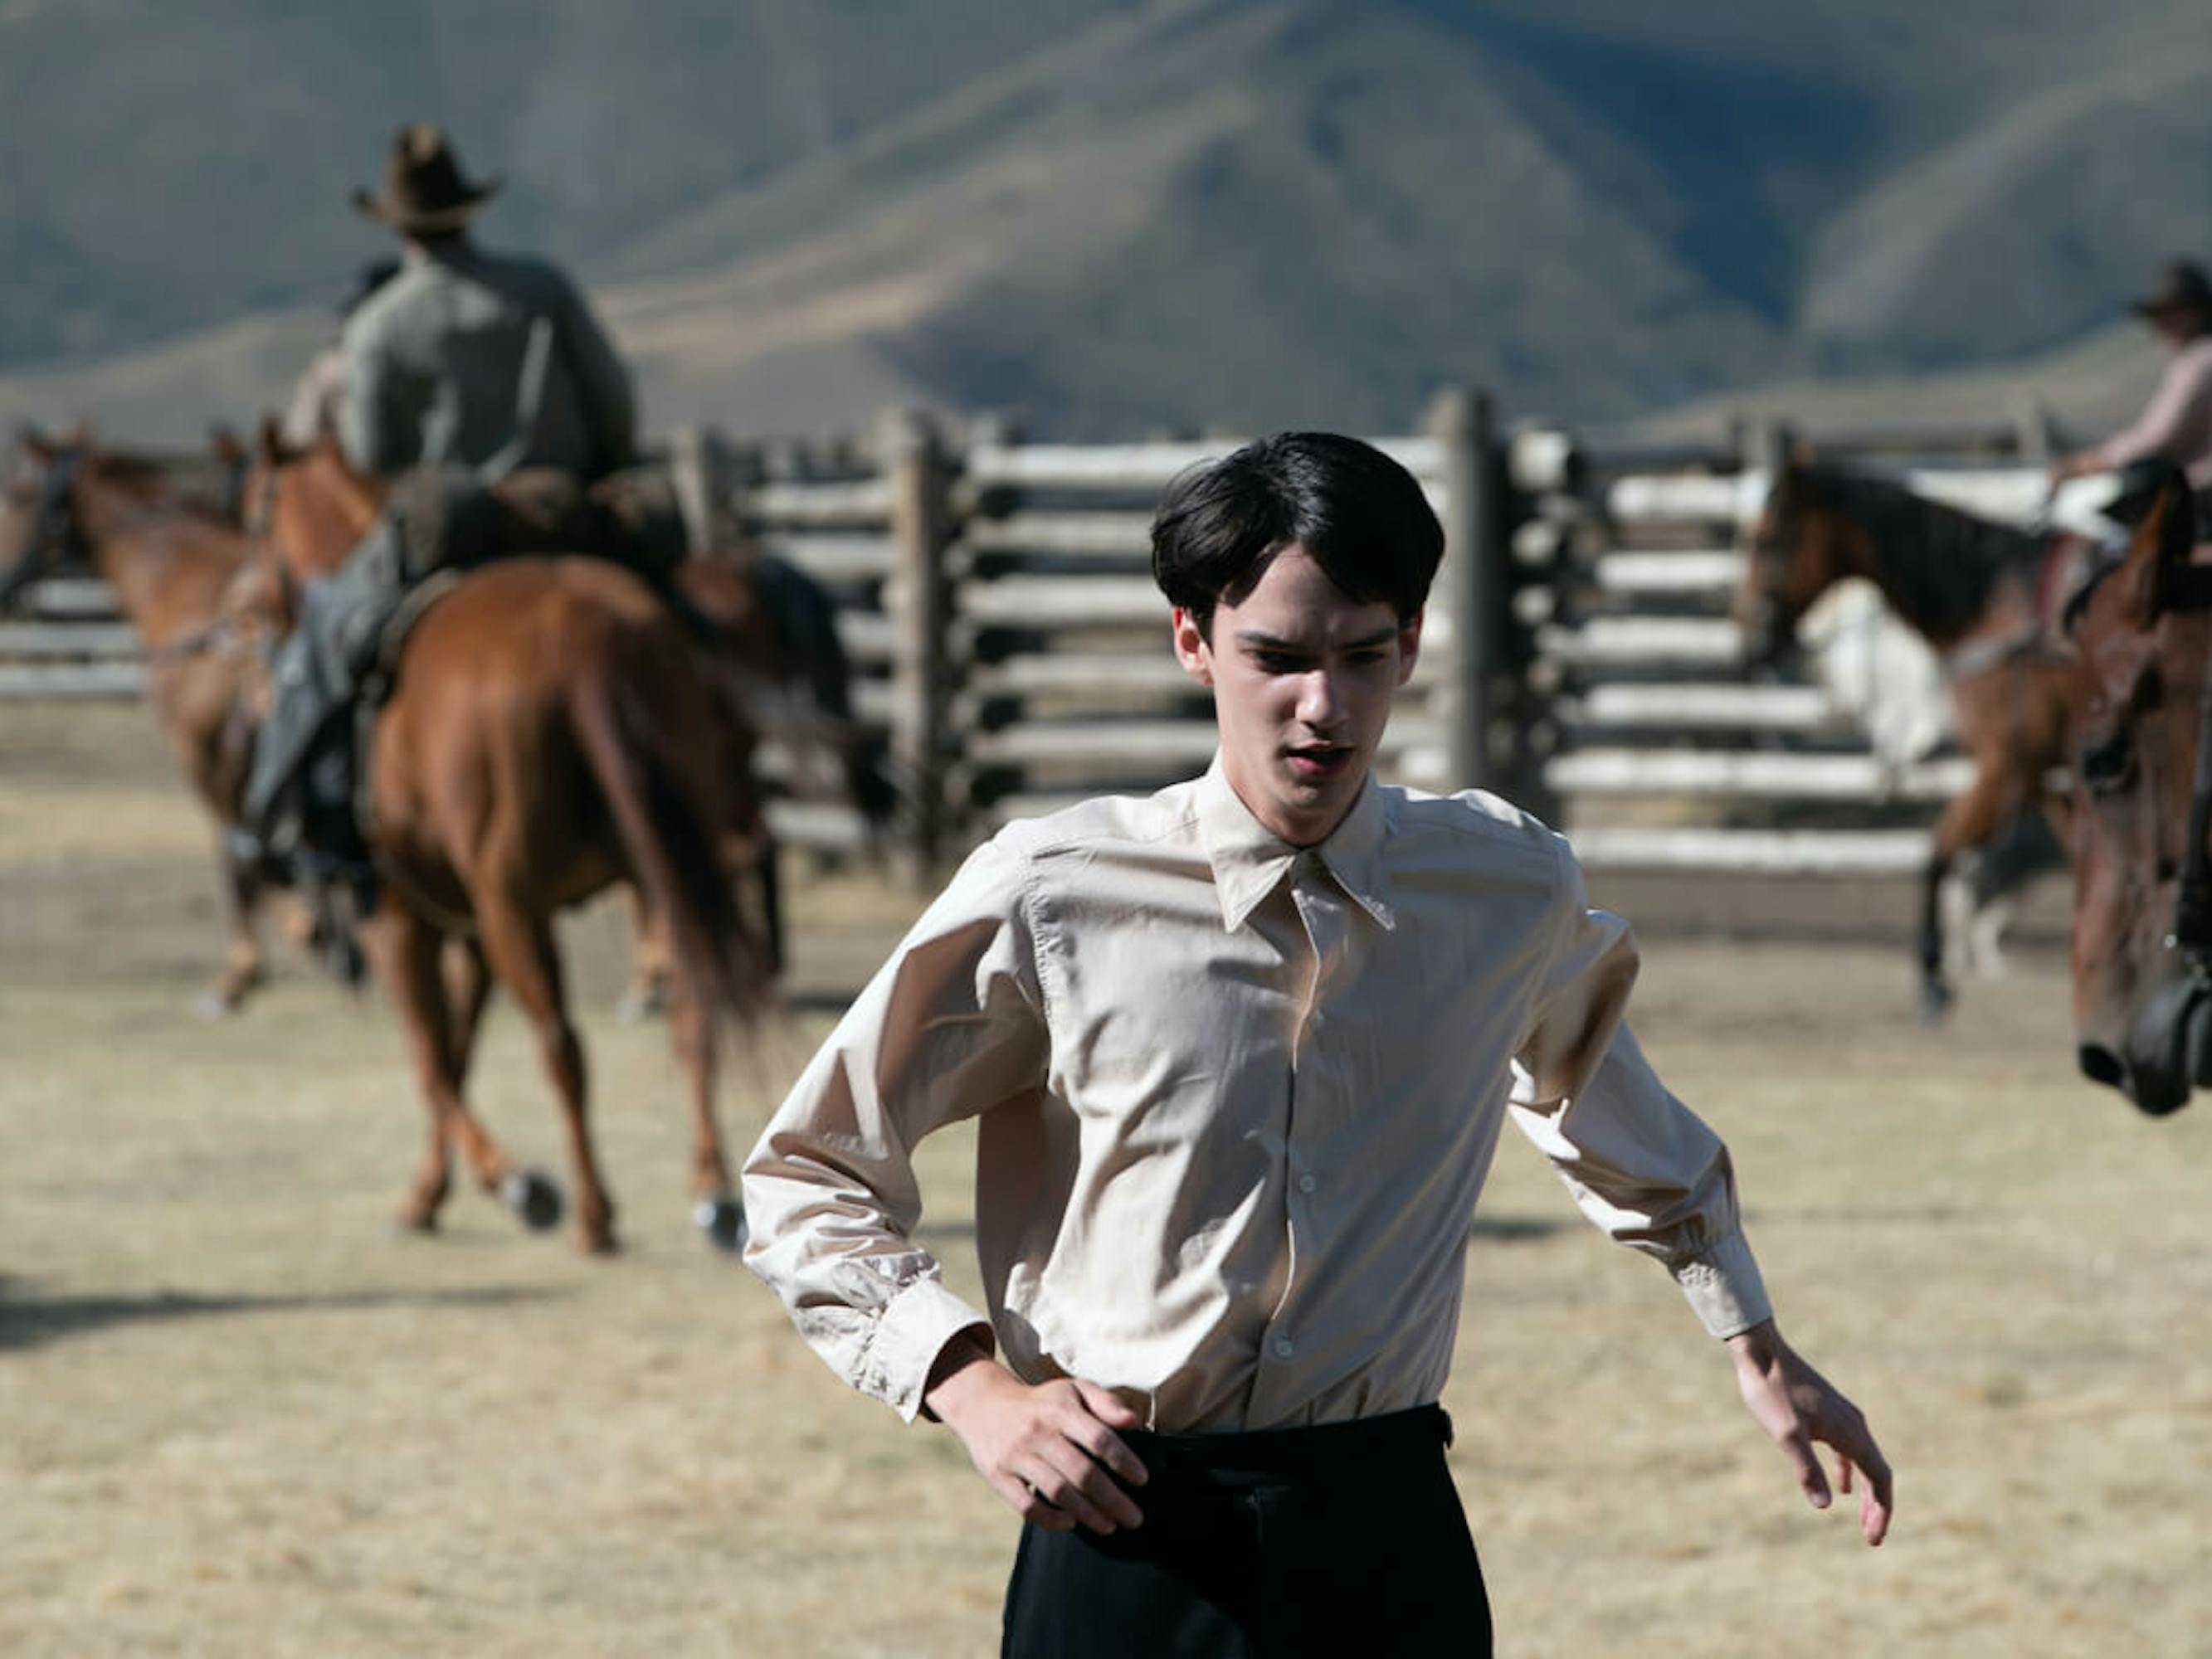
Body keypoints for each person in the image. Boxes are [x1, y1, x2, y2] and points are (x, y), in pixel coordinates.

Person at [742, 432, 1893, 1656]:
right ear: (1193, 641)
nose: (1323, 707)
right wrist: (973, 1392)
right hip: (1126, 1530)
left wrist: (1752, 1341)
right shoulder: (1052, 892)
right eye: (1276, 659)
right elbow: (810, 1171)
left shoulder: (1505, 888)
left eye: (1361, 657)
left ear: (1409, 645)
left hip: (1386, 1529)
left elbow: (1600, 1107)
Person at [241, 122, 648, 897]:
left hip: (451, 526)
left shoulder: (381, 324)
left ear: (398, 228)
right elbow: (614, 402)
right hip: (570, 511)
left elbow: (368, 448)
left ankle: (283, 821)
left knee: (325, 641)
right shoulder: (544, 289)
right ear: (468, 212)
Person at [2052, 257, 2212, 489]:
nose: (2163, 325)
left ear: (2196, 313)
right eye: (2161, 316)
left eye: (2172, 314)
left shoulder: (2198, 363)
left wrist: (2090, 463)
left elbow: (2157, 437)